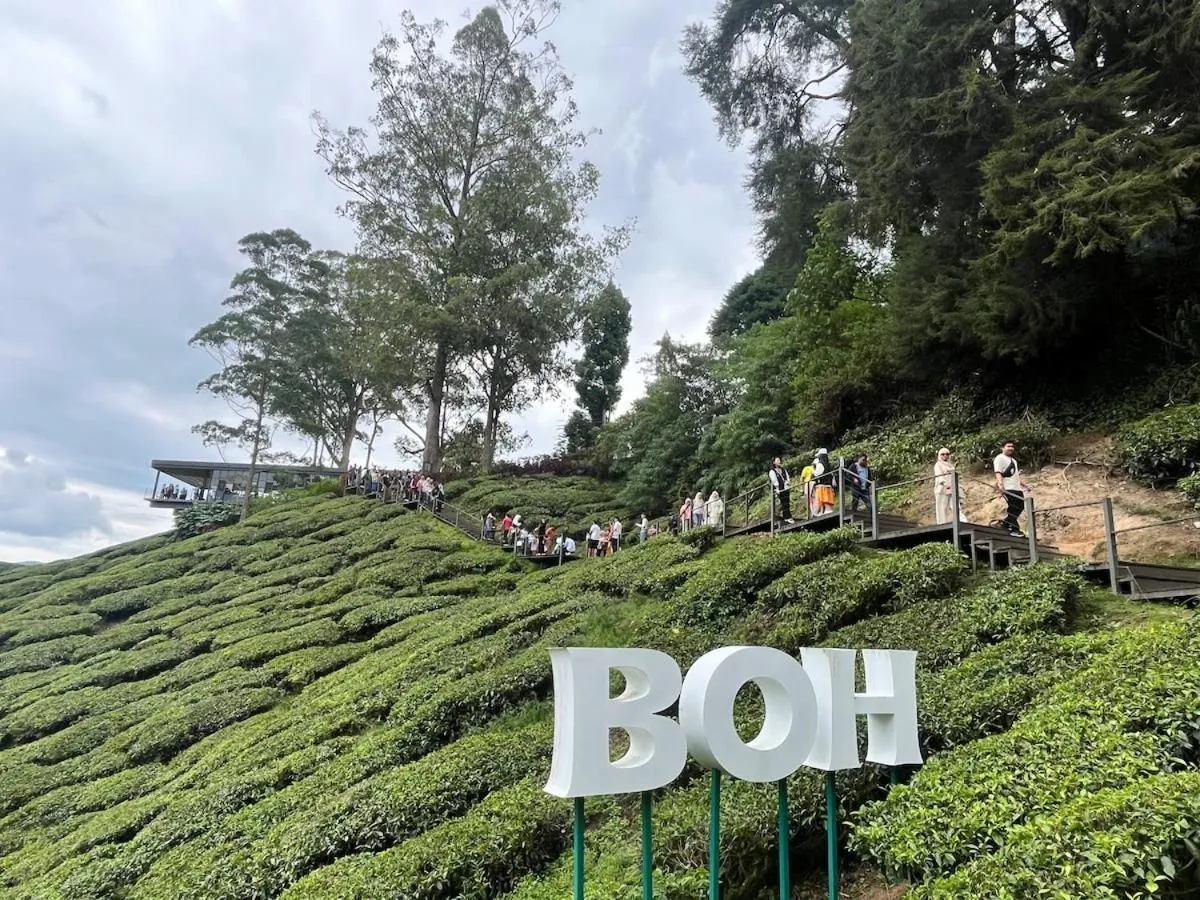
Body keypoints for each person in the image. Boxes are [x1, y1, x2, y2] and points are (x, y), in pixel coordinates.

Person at [993, 441, 1031, 535]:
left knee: (1020, 506)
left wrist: (1024, 486)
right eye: (1008, 446)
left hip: (1017, 488)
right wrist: (1001, 485)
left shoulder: (1013, 460)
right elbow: (998, 472)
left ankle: (1005, 524)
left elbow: (1015, 476)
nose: (1010, 448)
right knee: (1013, 507)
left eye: (1012, 446)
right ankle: (1014, 529)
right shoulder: (999, 458)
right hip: (1008, 487)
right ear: (1002, 448)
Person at [934, 449, 967, 524]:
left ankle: (963, 520)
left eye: (947, 454)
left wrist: (959, 486)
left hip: (952, 488)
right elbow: (939, 477)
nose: (945, 456)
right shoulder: (938, 465)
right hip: (942, 489)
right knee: (942, 508)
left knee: (955, 506)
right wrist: (945, 484)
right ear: (939, 455)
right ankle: (941, 524)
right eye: (943, 454)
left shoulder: (950, 465)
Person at [768, 457, 794, 523]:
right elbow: (774, 481)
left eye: (779, 460)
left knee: (787, 502)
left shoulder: (783, 469)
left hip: (786, 487)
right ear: (774, 462)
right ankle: (787, 517)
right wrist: (777, 488)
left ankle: (788, 516)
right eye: (777, 460)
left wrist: (788, 482)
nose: (779, 461)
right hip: (779, 489)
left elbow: (787, 477)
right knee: (784, 502)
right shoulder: (772, 471)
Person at [812, 450, 836, 515]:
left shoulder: (820, 463)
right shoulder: (827, 463)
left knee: (823, 498)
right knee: (826, 497)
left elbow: (817, 473)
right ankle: (825, 510)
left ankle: (825, 510)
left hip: (821, 484)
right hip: (828, 484)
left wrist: (813, 472)